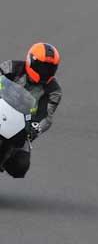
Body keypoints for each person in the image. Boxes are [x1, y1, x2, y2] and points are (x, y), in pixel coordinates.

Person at [0, 43, 62, 178]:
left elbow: (47, 115)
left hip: (23, 126)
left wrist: (36, 128)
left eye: (49, 68)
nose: (45, 71)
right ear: (31, 61)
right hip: (1, 110)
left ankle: (4, 160)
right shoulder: (11, 67)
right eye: (42, 67)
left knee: (21, 165)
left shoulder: (54, 91)